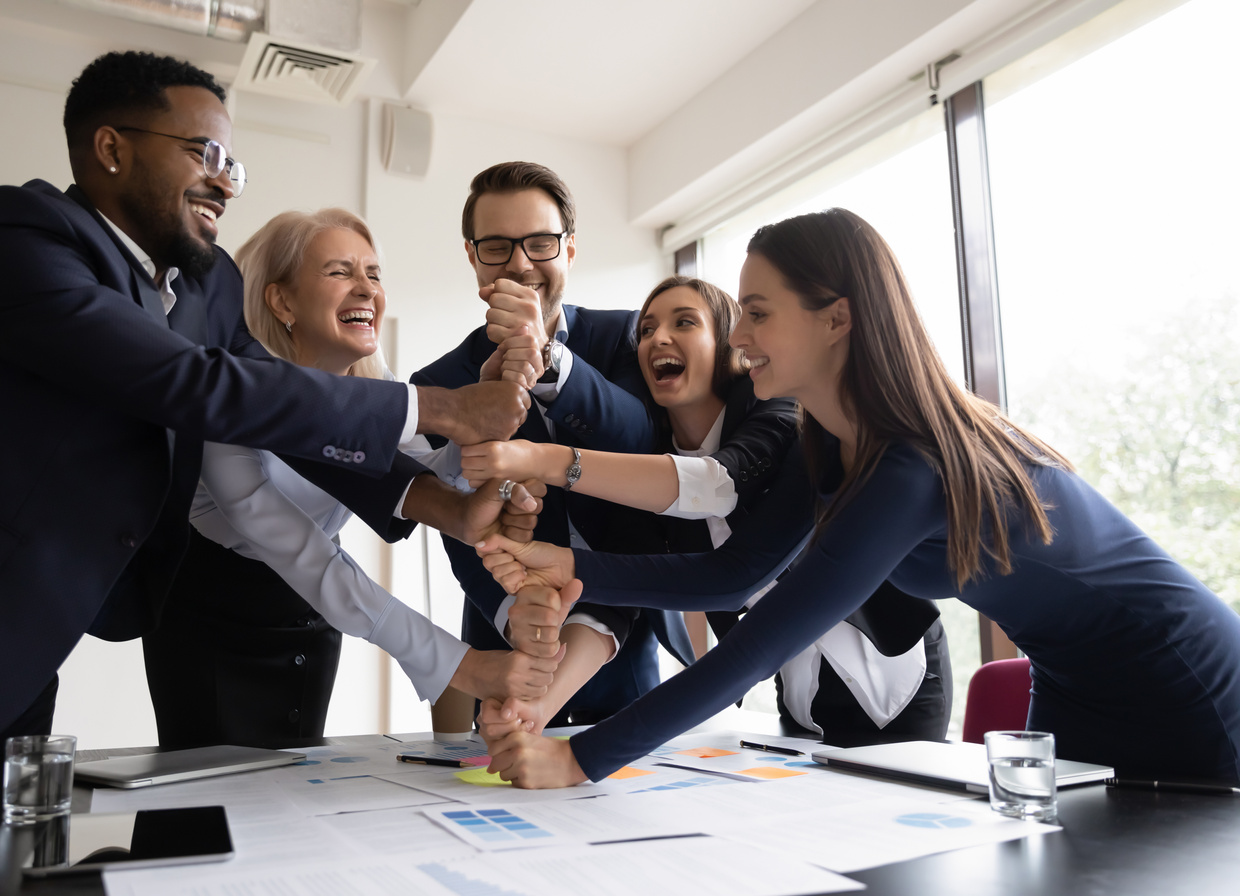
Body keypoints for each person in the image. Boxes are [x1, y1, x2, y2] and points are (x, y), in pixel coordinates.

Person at [0, 51, 532, 760]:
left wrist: (438, 498)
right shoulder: (18, 235)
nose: (225, 182)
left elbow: (286, 418)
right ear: (111, 148)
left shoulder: (204, 287)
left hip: (30, 629)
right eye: (206, 153)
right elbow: (200, 386)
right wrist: (441, 408)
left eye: (234, 164)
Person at [476, 208, 1240, 787]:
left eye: (759, 311)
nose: (738, 335)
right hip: (1072, 685)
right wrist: (567, 565)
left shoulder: (912, 468)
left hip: (1182, 678)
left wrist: (580, 759)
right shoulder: (830, 446)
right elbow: (736, 576)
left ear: (836, 318)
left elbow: (757, 642)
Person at [463, 276, 950, 744]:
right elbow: (612, 601)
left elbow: (720, 485)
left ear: (728, 344)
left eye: (685, 323)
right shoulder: (644, 468)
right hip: (798, 697)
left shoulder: (780, 412)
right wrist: (537, 709)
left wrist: (542, 460)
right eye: (647, 329)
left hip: (898, 675)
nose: (659, 338)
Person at [144, 209, 559, 745]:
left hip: (313, 619)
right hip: (212, 623)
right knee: (208, 817)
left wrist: (485, 454)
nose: (366, 288)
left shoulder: (375, 387)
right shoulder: (234, 400)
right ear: (282, 301)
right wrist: (460, 664)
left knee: (294, 799)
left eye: (375, 274)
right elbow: (301, 552)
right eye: (340, 272)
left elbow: (431, 477)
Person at [411, 162, 693, 727]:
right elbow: (457, 525)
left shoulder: (625, 336)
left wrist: (546, 360)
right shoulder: (437, 385)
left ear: (569, 249)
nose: (520, 262)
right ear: (473, 258)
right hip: (505, 643)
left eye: (540, 243)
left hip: (624, 652)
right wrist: (517, 615)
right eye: (497, 246)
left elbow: (642, 440)